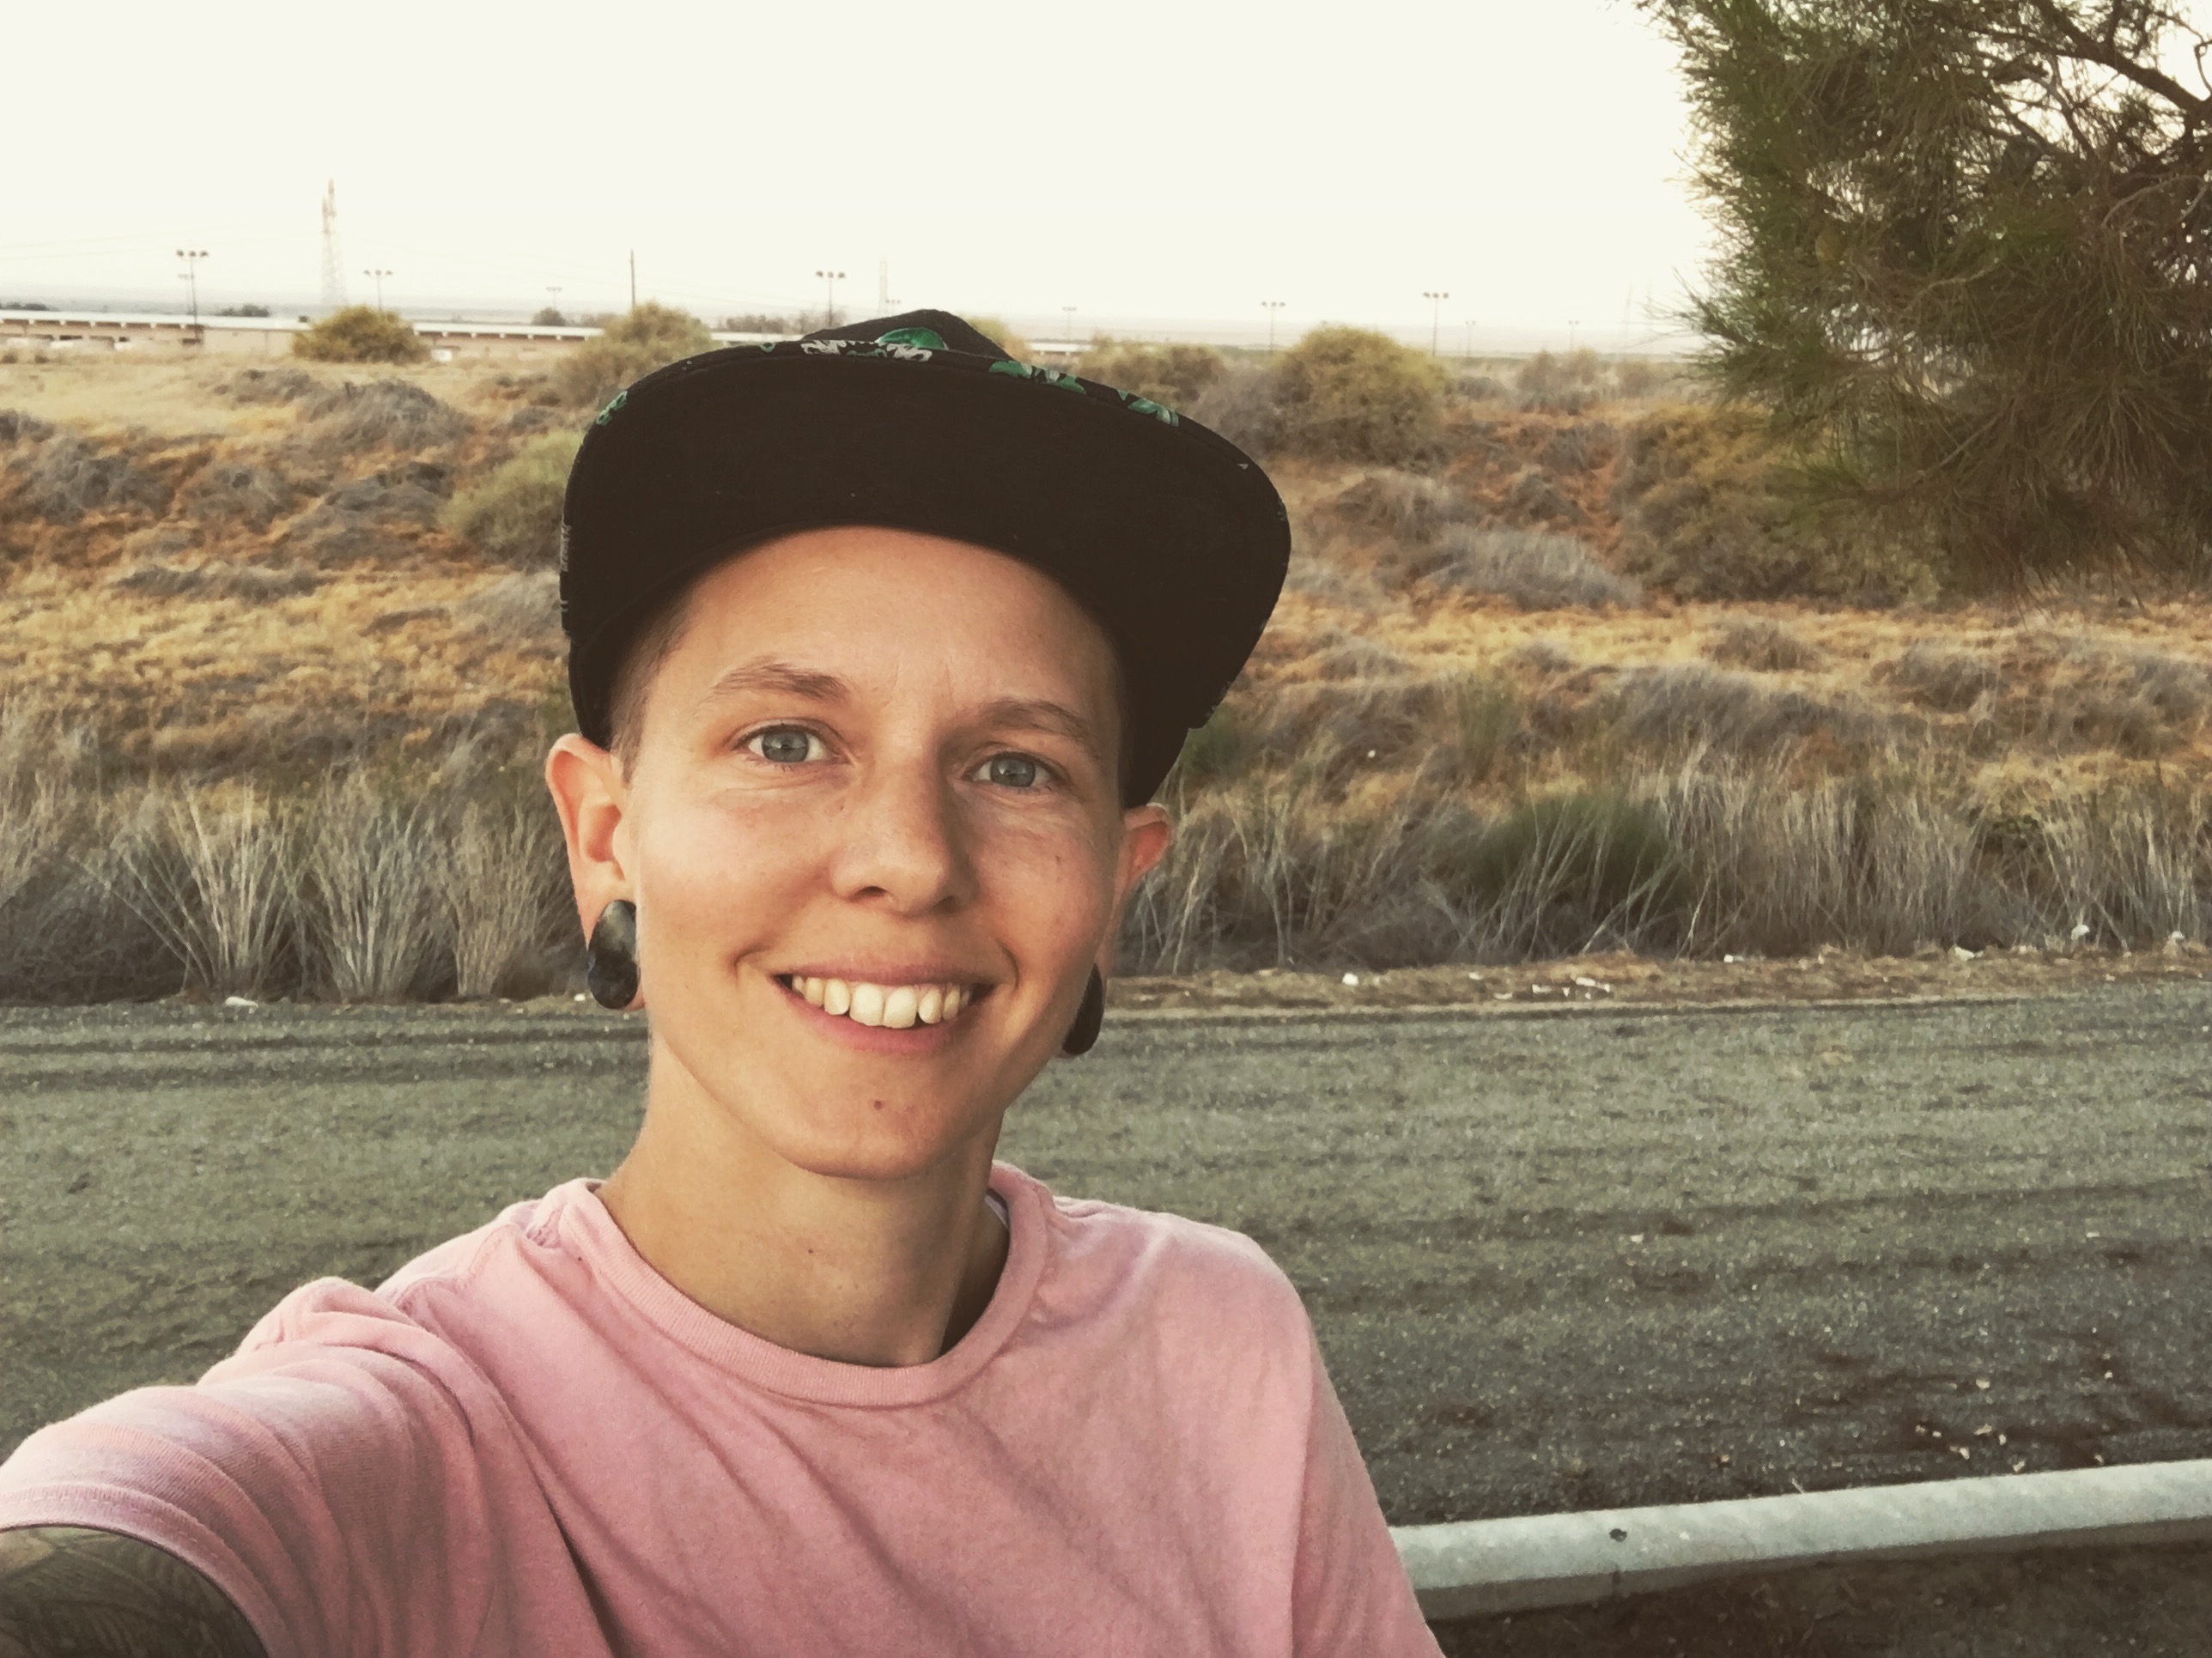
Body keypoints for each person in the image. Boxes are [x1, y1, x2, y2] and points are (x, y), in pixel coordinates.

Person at [0, 311, 1442, 1655]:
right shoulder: (423, 1431)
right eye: (786, 742)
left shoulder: (1219, 1341)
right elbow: (141, 1541)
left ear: (1117, 886)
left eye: (1017, 767)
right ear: (605, 837)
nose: (908, 860)